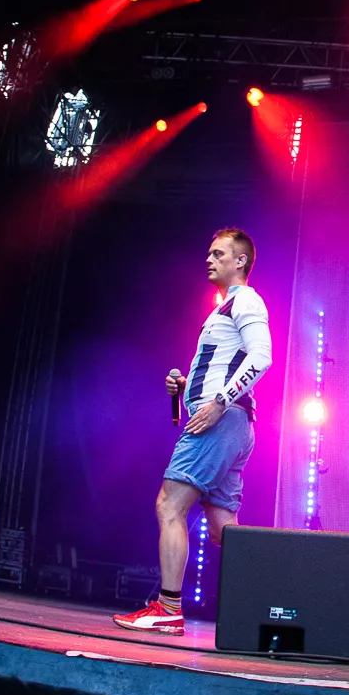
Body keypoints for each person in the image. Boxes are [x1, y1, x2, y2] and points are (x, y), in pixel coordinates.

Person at [113, 228, 272, 637]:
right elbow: (225, 365)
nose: (209, 259)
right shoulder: (226, 307)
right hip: (234, 424)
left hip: (221, 421)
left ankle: (167, 610)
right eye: (209, 253)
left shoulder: (245, 300)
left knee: (169, 506)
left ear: (240, 261)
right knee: (223, 530)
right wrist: (187, 388)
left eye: (218, 254)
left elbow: (262, 356)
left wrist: (217, 402)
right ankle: (267, 605)